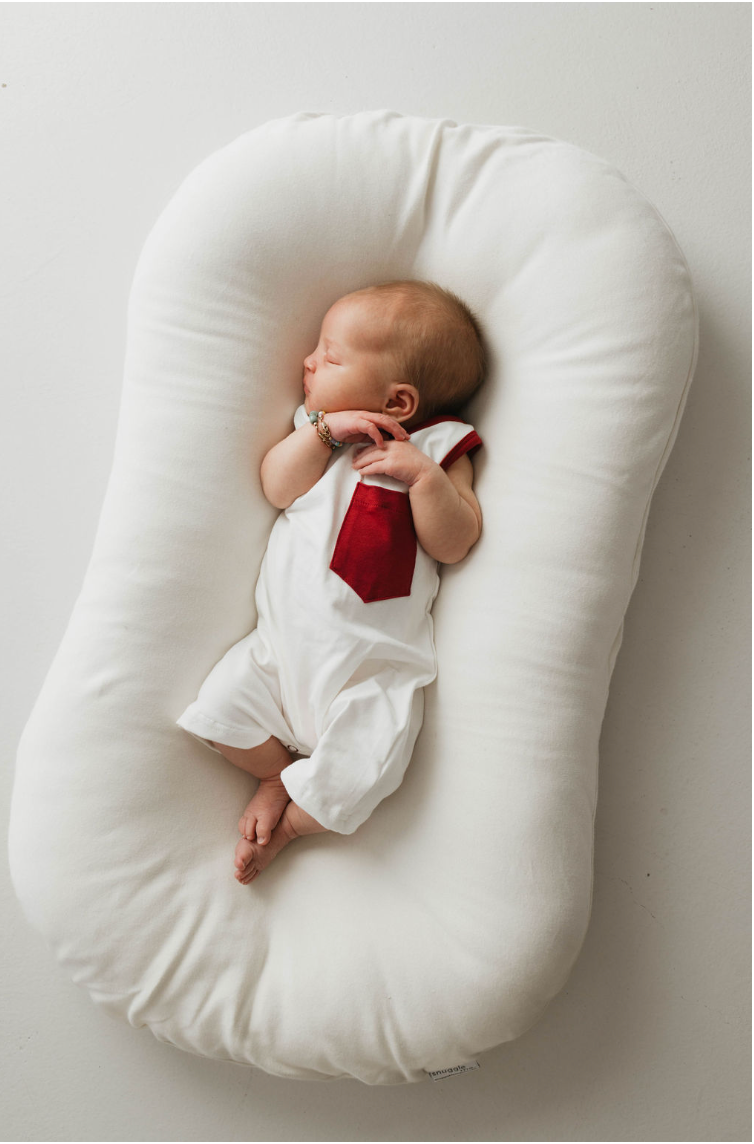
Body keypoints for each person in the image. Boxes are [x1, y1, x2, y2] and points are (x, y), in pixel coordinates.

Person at [176, 279, 486, 883]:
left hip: (374, 669)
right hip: (279, 652)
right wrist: (319, 435)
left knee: (368, 767)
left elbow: (457, 540)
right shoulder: (317, 434)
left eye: (330, 355)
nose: (307, 362)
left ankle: (291, 823)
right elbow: (276, 486)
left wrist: (424, 482)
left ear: (399, 404)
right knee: (217, 712)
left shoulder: (443, 451)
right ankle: (272, 774)